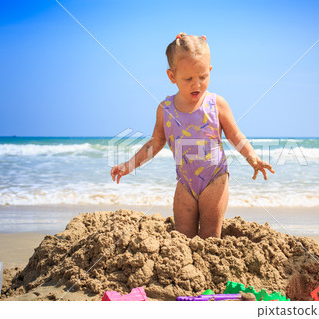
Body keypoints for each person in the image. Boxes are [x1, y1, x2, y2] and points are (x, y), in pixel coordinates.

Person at [111, 32, 274, 239]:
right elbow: (156, 143)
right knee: (183, 237)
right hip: (185, 182)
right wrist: (129, 165)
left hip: (215, 179)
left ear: (210, 71)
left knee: (210, 237)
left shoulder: (216, 104)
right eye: (188, 79)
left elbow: (235, 135)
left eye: (203, 77)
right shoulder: (165, 108)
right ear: (172, 76)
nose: (196, 84)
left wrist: (252, 156)